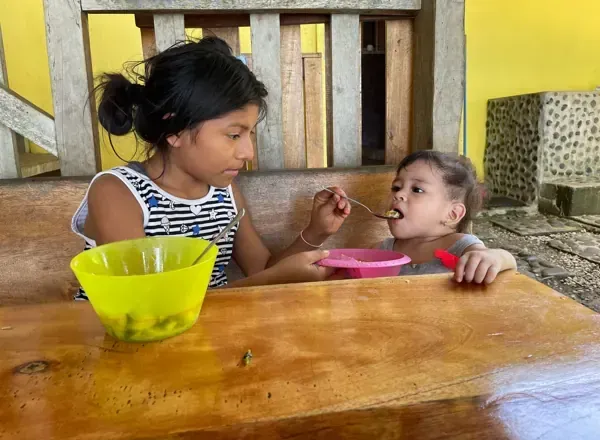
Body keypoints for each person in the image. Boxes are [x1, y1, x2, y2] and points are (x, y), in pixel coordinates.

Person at [71, 37, 350, 299]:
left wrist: (316, 232)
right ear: (176, 130)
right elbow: (151, 302)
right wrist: (272, 280)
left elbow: (262, 269)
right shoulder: (118, 193)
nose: (248, 152)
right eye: (233, 135)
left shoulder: (224, 193)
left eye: (250, 134)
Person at [377, 150, 516, 284]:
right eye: (396, 187)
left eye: (417, 190)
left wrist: (494, 257)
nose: (398, 194)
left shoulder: (461, 247)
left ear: (452, 214)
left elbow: (507, 261)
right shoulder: (382, 250)